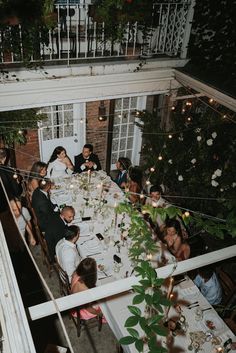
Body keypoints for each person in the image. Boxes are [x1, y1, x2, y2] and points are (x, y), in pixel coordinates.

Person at [71, 258, 106, 322]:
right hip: (79, 310)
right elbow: (88, 309)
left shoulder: (75, 273)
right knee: (106, 305)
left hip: (74, 300)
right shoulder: (86, 290)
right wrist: (100, 313)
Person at [0, 148, 23, 213]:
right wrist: (18, 182)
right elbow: (17, 191)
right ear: (5, 158)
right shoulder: (10, 171)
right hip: (6, 207)